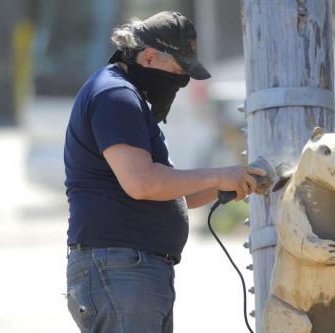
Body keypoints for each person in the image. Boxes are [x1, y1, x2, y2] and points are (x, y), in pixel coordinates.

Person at [63, 11, 264, 333]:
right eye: (178, 70)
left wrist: (236, 180)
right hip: (122, 269)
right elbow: (142, 183)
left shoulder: (125, 97)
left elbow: (168, 190)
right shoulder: (116, 96)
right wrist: (217, 175)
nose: (181, 81)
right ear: (150, 56)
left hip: (131, 270)